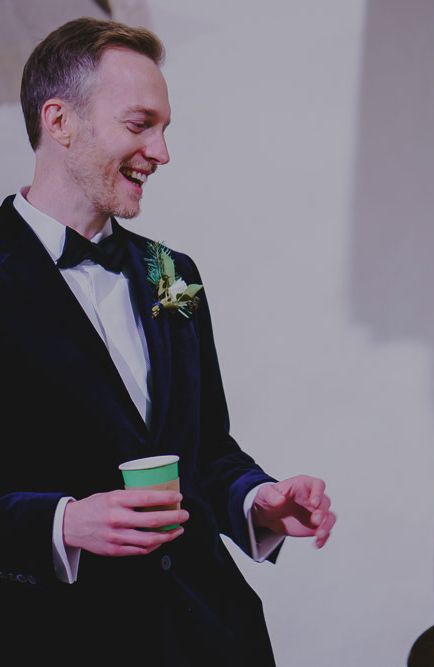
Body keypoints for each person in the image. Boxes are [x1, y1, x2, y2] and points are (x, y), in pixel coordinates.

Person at [0, 17, 335, 665]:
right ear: (59, 120)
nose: (161, 151)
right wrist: (60, 522)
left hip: (212, 631)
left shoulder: (172, 273)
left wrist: (259, 499)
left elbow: (205, 448)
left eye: (164, 128)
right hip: (55, 635)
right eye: (139, 124)